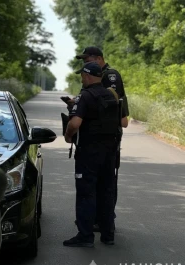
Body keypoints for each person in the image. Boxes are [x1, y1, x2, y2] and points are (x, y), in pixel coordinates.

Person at [63, 61, 119, 247]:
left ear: (87, 76)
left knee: (87, 193)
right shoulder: (111, 94)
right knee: (106, 192)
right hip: (110, 152)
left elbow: (75, 123)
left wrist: (68, 135)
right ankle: (108, 234)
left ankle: (85, 236)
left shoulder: (85, 96)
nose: (81, 78)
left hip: (89, 152)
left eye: (82, 75)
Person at [75, 46, 129, 231]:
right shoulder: (95, 75)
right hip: (96, 135)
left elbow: (111, 106)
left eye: (87, 59)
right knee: (99, 181)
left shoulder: (110, 75)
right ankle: (98, 220)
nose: (85, 63)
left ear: (98, 59)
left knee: (106, 183)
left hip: (106, 135)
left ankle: (105, 220)